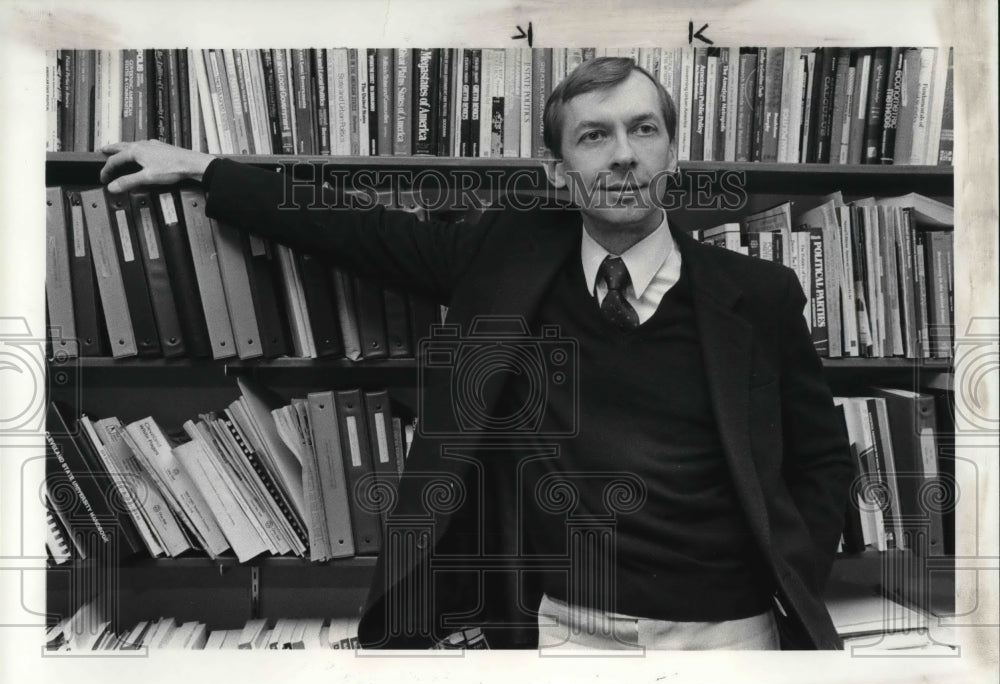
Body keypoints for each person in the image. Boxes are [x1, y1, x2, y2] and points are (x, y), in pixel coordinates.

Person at [100, 56, 853, 650]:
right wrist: (207, 171)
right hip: (566, 630)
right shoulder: (508, 256)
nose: (624, 156)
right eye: (595, 135)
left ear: (673, 153)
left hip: (731, 633)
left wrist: (788, 571)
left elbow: (821, 462)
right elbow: (362, 231)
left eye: (643, 129)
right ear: (560, 169)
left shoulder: (760, 293)